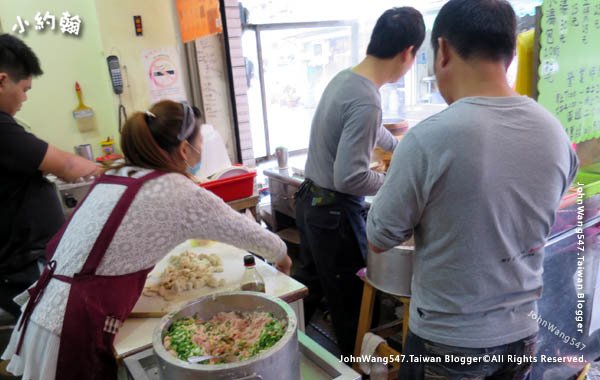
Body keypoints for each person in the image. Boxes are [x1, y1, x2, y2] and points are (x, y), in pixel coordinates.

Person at [1, 99, 293, 380]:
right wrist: (282, 255)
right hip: (72, 327)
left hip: (45, 311)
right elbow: (247, 233)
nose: (199, 155)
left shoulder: (119, 173)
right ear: (184, 150)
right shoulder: (176, 190)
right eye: (200, 147)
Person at [366, 1, 579, 379]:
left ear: (443, 50)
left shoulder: (428, 139)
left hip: (448, 341)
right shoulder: (555, 133)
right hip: (523, 335)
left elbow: (381, 235)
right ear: (511, 53)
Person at [294, 7, 425, 356]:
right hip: (333, 214)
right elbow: (350, 177)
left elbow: (372, 129)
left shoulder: (347, 79)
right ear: (407, 52)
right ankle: (355, 370)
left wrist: (400, 147)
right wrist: (393, 179)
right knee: (351, 305)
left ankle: (291, 355)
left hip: (309, 203)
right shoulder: (368, 99)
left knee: (309, 290)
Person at [0, 34, 102, 319]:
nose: (25, 98)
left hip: (22, 262)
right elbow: (67, 166)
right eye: (24, 89)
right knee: (58, 328)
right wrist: (113, 173)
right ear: (2, 80)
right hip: (21, 269)